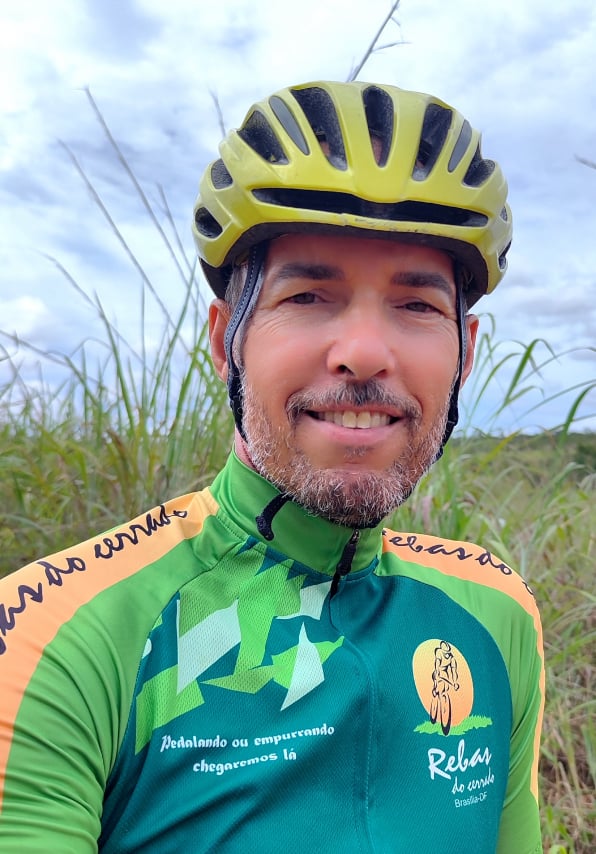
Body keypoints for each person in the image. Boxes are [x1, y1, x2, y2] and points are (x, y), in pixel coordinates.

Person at [0, 80, 544, 853]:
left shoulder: (495, 614)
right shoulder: (57, 641)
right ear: (225, 340)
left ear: (467, 354)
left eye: (418, 306)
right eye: (309, 295)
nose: (364, 352)